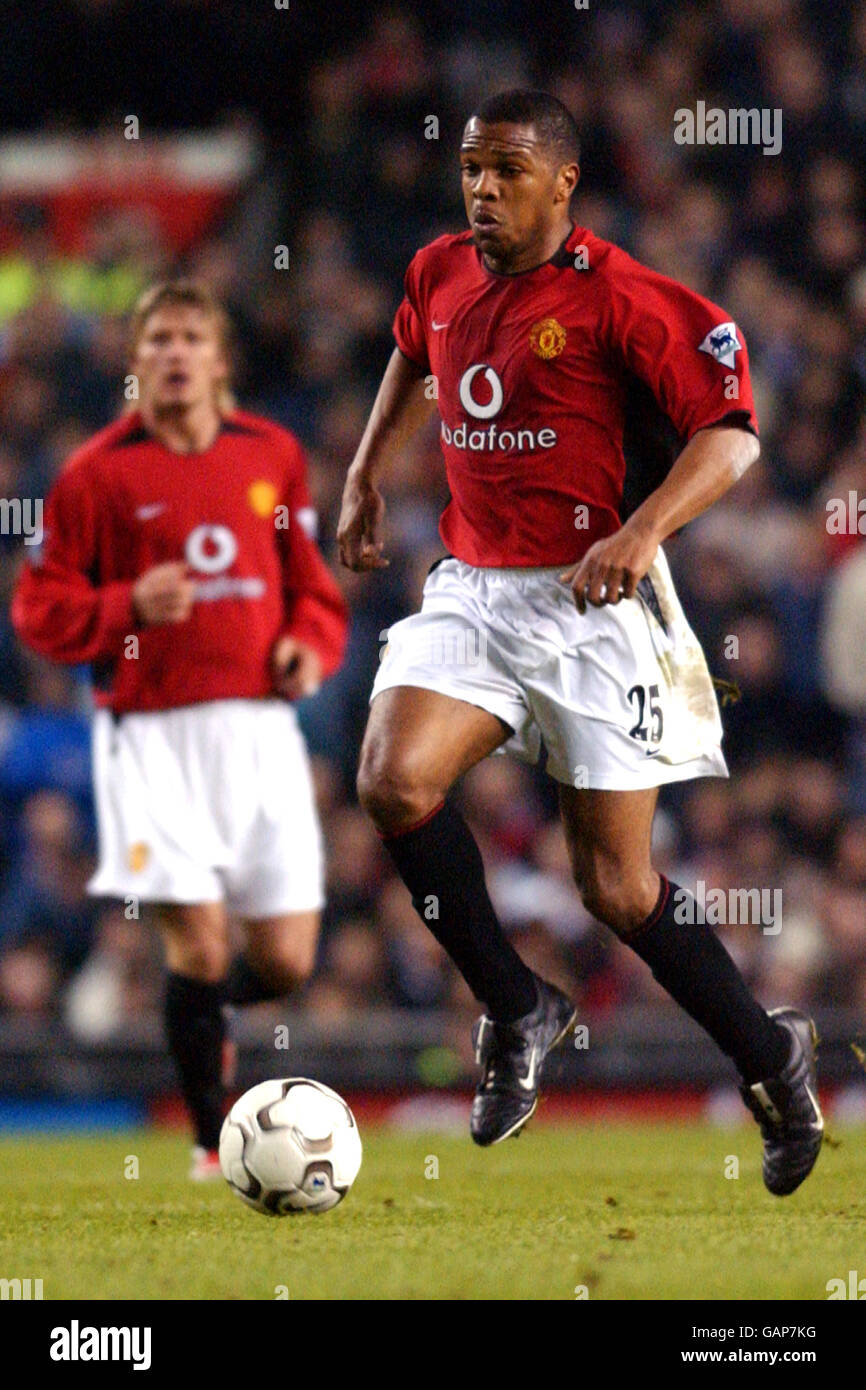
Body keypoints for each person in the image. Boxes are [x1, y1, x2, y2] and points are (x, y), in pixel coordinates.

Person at [337, 90, 823, 1195]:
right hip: (470, 588)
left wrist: (641, 527)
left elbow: (731, 439)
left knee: (613, 885)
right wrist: (367, 471)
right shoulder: (438, 271)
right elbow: (412, 354)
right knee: (390, 781)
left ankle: (768, 1058)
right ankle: (518, 1005)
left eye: (505, 171)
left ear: (562, 184)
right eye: (469, 169)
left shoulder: (628, 300)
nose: (480, 190)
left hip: (592, 607)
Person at [13, 280, 348, 1177]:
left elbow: (312, 587)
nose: (172, 352)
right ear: (136, 360)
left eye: (190, 337)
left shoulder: (273, 455)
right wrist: (125, 603)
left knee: (281, 961)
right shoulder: (96, 474)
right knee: (196, 940)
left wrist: (308, 649)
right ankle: (211, 1141)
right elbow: (39, 609)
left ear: (218, 358)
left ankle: (207, 1017)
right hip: (149, 736)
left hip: (261, 731)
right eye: (156, 337)